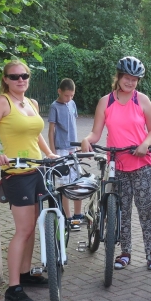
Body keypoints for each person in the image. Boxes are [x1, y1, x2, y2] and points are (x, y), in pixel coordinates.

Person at [0, 60, 57, 301]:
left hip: (36, 171)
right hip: (16, 174)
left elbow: (36, 133)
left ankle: (25, 273)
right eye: (14, 76)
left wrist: (49, 154)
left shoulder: (32, 103)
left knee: (31, 227)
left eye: (24, 75)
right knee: (23, 230)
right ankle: (13, 288)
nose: (20, 79)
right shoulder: (2, 103)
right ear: (6, 80)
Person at [80, 57, 151, 270]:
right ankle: (125, 252)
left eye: (135, 79)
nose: (130, 82)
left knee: (145, 211)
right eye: (127, 78)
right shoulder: (105, 102)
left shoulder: (142, 100)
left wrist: (145, 144)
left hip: (142, 163)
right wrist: (87, 140)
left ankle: (150, 252)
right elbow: (96, 133)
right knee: (122, 212)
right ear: (119, 77)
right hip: (118, 165)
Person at [48, 78, 83, 230]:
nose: (69, 98)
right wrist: (52, 153)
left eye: (71, 95)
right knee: (64, 185)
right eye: (66, 95)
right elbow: (51, 131)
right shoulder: (54, 107)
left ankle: (77, 215)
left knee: (77, 183)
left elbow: (73, 124)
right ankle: (68, 217)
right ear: (59, 92)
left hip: (73, 149)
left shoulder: (72, 104)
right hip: (61, 149)